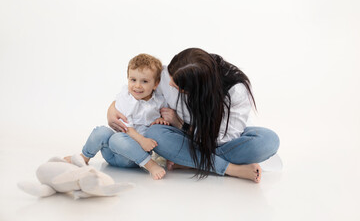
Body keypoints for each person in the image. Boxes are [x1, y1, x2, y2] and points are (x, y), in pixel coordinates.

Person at [107, 48, 280, 183]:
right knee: (155, 134)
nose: (169, 84)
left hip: (220, 140)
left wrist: (180, 124)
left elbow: (222, 140)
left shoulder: (236, 92)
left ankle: (187, 162)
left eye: (177, 87)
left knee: (267, 141)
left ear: (196, 90)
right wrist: (112, 108)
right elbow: (139, 92)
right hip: (185, 139)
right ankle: (230, 168)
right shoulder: (170, 74)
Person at [66, 54, 169, 180]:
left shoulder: (159, 101)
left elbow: (166, 118)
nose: (137, 86)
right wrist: (141, 139)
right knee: (102, 132)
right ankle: (84, 157)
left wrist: (161, 120)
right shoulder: (125, 97)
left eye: (144, 81)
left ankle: (150, 164)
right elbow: (124, 126)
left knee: (117, 139)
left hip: (134, 156)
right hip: (112, 152)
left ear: (156, 84)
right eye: (133, 80)